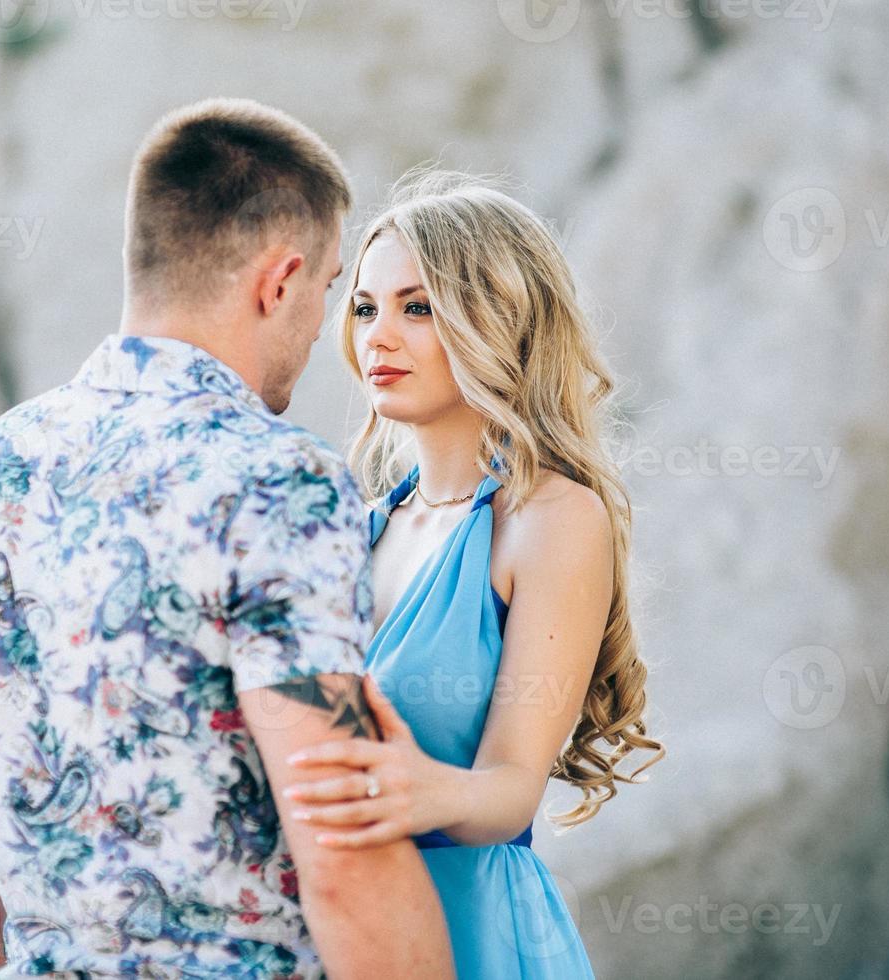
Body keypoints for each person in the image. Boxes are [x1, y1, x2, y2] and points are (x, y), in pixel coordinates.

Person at [0, 98, 454, 979]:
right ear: (279, 280)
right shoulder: (278, 482)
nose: (325, 329)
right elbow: (341, 841)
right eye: (331, 290)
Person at [283, 169, 666, 978]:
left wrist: (421, 792)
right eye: (365, 307)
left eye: (416, 307)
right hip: (345, 942)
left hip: (478, 939)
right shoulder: (354, 529)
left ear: (498, 318)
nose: (378, 336)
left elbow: (511, 789)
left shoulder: (552, 521)